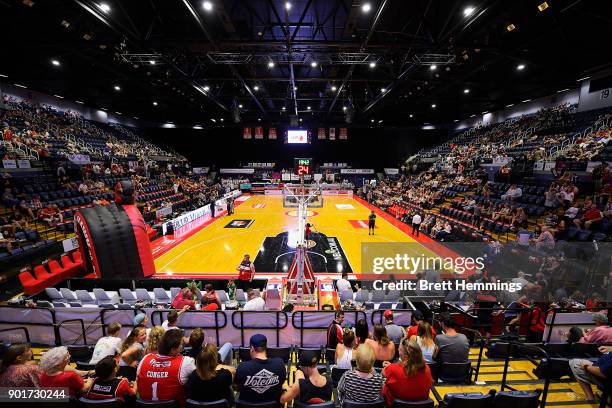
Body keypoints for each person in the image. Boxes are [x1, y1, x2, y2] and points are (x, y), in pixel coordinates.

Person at [137, 329, 195, 404]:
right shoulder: (185, 362)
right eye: (181, 345)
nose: (181, 347)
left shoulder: (145, 359)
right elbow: (199, 378)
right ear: (173, 350)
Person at [235, 334, 286, 404]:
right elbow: (281, 383)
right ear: (266, 347)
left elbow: (237, 387)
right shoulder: (279, 364)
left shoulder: (242, 367)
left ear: (252, 348)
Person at [382, 339, 433, 406]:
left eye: (399, 349)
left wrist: (391, 367)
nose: (398, 350)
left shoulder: (392, 369)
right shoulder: (427, 368)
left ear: (406, 357)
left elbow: (383, 373)